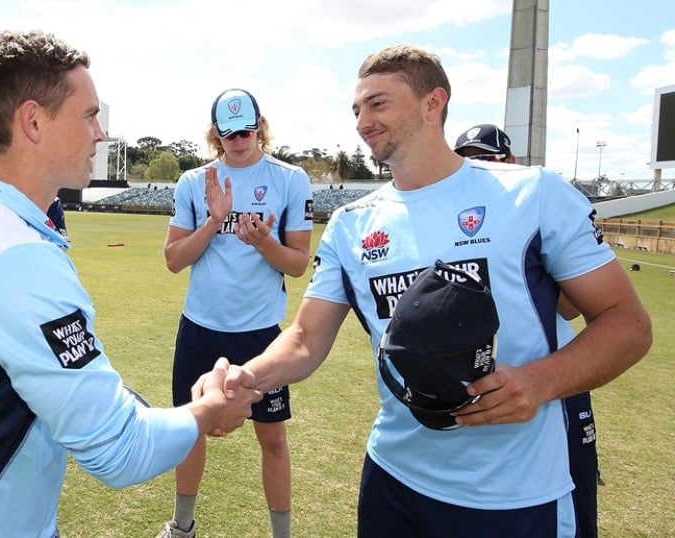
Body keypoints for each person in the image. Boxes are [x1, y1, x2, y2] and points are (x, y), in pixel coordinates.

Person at [210, 44, 652, 537]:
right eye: (357, 109)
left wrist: (542, 381)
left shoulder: (534, 195)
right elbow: (306, 339)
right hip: (392, 480)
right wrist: (245, 379)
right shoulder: (351, 225)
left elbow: (627, 324)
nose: (362, 122)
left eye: (379, 104)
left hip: (514, 496)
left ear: (432, 102)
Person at [0, 30, 260, 538]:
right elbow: (118, 451)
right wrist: (208, 410)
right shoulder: (16, 259)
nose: (99, 133)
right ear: (33, 122)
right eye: (88, 115)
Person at [159, 88, 314, 538]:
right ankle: (182, 526)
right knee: (191, 430)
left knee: (272, 437)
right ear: (215, 135)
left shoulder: (289, 179)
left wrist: (264, 242)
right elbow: (173, 259)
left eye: (246, 131)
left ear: (259, 126)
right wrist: (214, 220)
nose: (239, 141)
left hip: (261, 335)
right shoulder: (194, 182)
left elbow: (299, 264)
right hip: (201, 328)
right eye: (228, 134)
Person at [454, 123, 600, 538]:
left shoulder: (535, 201)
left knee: (571, 494)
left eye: (488, 158)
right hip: (487, 378)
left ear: (510, 162)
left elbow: (575, 307)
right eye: (468, 159)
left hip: (552, 376)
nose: (479, 167)